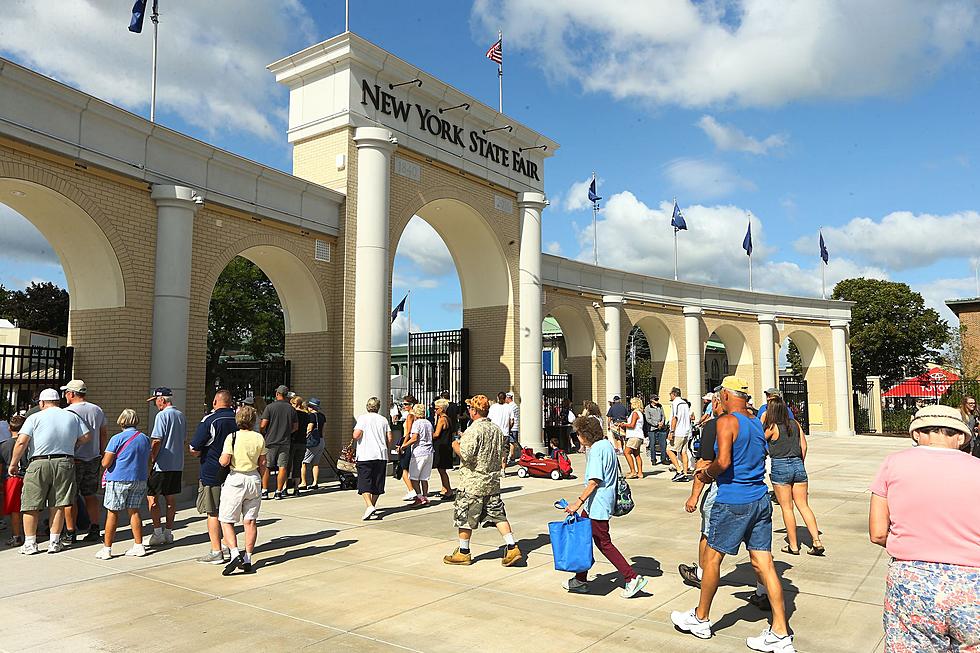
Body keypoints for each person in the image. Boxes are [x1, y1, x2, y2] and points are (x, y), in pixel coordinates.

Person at [672, 376, 795, 652]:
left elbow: (724, 461)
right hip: (760, 499)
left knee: (712, 558)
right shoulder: (755, 421)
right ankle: (780, 632)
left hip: (732, 501)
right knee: (765, 564)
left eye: (720, 397)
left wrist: (705, 472)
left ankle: (700, 618)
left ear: (726, 396)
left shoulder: (727, 422)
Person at [869, 404, 980, 652]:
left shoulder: (893, 464)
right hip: (973, 582)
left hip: (912, 581)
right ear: (961, 436)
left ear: (916, 434)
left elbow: (877, 532)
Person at [563, 415, 648, 598]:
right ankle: (580, 579)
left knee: (604, 543)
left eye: (578, 433)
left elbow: (594, 481)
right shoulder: (606, 445)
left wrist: (577, 503)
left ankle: (632, 578)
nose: (577, 437)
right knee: (586, 539)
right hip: (599, 503)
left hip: (598, 504)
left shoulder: (595, 450)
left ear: (585, 434)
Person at [7, 388, 90, 555]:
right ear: (58, 402)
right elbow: (86, 437)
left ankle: (30, 543)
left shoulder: (34, 417)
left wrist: (13, 464)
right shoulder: (72, 416)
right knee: (58, 503)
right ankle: (54, 541)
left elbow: (22, 442)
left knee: (30, 504)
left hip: (38, 462)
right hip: (65, 461)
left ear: (42, 403)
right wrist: (72, 445)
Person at [443, 394, 522, 567]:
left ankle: (463, 552)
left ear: (474, 411)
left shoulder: (474, 429)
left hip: (473, 482)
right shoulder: (495, 429)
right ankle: (511, 546)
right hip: (492, 481)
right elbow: (502, 451)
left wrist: (456, 445)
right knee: (497, 514)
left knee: (464, 516)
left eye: (470, 408)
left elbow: (468, 456)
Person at [763, 396, 824, 556]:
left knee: (787, 508)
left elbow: (760, 443)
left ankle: (794, 545)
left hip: (780, 466)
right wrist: (799, 463)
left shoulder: (772, 427)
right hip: (798, 464)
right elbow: (804, 446)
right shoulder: (795, 424)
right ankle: (816, 541)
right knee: (803, 505)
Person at [190, 390, 237, 564]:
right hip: (234, 472)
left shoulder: (210, 420)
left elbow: (195, 447)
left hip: (212, 471)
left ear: (216, 401)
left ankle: (216, 550)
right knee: (229, 512)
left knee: (213, 512)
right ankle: (227, 544)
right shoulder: (239, 420)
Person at [95, 409, 151, 560]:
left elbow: (106, 462)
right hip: (139, 478)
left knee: (112, 512)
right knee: (135, 511)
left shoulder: (116, 438)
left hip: (118, 478)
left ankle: (107, 549)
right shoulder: (144, 438)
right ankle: (138, 545)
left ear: (121, 421)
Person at [218, 405, 266, 576]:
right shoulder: (259, 438)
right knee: (250, 521)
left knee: (226, 519)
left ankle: (234, 552)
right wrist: (259, 476)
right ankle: (248, 558)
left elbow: (224, 461)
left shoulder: (232, 437)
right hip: (253, 478)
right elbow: (262, 462)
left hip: (236, 478)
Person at [61, 379, 108, 545]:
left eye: (66, 392)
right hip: (93, 458)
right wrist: (102, 453)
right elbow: (103, 433)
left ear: (72, 394)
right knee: (90, 494)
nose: (65, 395)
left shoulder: (67, 412)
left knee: (70, 497)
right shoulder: (97, 410)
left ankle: (70, 532)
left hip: (75, 458)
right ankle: (94, 528)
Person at [145, 387, 186, 547]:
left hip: (161, 464)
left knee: (152, 497)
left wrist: (151, 460)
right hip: (176, 463)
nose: (155, 404)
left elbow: (156, 440)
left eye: (155, 400)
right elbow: (183, 440)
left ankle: (157, 532)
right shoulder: (181, 415)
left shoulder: (162, 415)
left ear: (161, 399)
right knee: (170, 498)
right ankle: (168, 532)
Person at [353, 396, 392, 521]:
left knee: (364, 481)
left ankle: (369, 506)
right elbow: (389, 438)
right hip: (380, 454)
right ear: (378, 407)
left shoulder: (363, 418)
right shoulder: (383, 420)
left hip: (365, 454)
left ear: (367, 406)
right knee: (377, 482)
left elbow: (356, 435)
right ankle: (372, 506)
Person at [259, 385, 297, 500]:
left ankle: (264, 491)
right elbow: (295, 427)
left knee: (267, 466)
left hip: (270, 441)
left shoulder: (270, 407)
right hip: (285, 441)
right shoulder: (291, 409)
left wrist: (264, 432)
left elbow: (263, 424)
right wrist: (286, 432)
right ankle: (279, 491)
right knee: (282, 466)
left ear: (277, 394)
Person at [399, 403, 434, 505]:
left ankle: (419, 497)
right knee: (424, 477)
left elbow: (414, 438)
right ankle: (425, 496)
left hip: (419, 452)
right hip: (429, 451)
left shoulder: (417, 423)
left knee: (414, 477)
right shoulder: (428, 423)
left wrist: (404, 445)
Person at [0, 415, 27, 546]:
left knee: (15, 510)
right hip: (27, 476)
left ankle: (16, 536)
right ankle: (29, 533)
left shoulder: (4, 445)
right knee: (29, 507)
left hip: (11, 478)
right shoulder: (29, 443)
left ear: (10, 428)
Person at [432, 397, 456, 499]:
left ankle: (448, 490)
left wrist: (429, 434)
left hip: (442, 446)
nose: (435, 410)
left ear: (442, 409)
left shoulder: (442, 419)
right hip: (446, 445)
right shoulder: (448, 418)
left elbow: (436, 434)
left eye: (436, 408)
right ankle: (444, 488)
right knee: (442, 469)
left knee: (442, 470)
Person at [668, 387, 692, 481]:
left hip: (678, 431)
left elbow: (675, 418)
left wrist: (672, 431)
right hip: (686, 431)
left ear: (674, 394)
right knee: (683, 452)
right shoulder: (685, 404)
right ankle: (685, 474)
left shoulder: (676, 403)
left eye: (670, 394)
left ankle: (679, 470)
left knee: (669, 450)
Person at [301, 397, 326, 490]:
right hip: (321, 440)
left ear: (311, 407)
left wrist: (305, 436)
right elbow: (323, 431)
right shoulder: (322, 416)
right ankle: (315, 482)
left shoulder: (311, 416)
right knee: (315, 464)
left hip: (312, 442)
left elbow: (309, 428)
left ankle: (303, 483)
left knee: (304, 462)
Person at [397, 394, 418, 500]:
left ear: (411, 405)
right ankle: (414, 491)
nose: (404, 406)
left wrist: (403, 445)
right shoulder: (417, 416)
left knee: (404, 468)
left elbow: (408, 432)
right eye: (403, 404)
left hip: (408, 442)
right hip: (412, 444)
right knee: (409, 469)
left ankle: (411, 490)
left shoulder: (410, 416)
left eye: (406, 404)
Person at [618, 397, 645, 479]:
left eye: (631, 403)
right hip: (639, 435)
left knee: (627, 452)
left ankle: (633, 471)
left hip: (634, 436)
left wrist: (624, 424)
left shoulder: (635, 413)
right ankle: (640, 472)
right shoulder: (640, 413)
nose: (630, 405)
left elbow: (632, 425)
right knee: (637, 454)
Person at [287, 395, 309, 496]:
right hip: (302, 442)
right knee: (297, 465)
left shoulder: (293, 414)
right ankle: (296, 488)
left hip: (293, 441)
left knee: (287, 465)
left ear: (295, 404)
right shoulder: (306, 415)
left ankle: (284, 487)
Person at [488, 392, 513, 469]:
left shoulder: (493, 407)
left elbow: (489, 419)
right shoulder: (509, 407)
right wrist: (509, 428)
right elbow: (512, 421)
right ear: (505, 398)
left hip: (495, 432)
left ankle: (495, 467)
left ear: (497, 397)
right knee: (504, 452)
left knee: (494, 450)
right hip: (505, 433)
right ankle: (503, 469)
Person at [644, 395, 667, 466]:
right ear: (651, 400)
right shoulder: (647, 408)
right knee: (652, 444)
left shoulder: (660, 406)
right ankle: (653, 459)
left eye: (657, 398)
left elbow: (663, 416)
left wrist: (662, 423)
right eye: (655, 399)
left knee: (663, 444)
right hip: (652, 429)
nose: (657, 400)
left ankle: (663, 459)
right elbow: (648, 419)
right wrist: (656, 424)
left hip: (661, 428)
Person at [504, 391, 520, 463]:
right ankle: (512, 457)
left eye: (506, 398)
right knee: (512, 442)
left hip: (512, 427)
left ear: (508, 398)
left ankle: (512, 458)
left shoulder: (511, 406)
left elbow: (510, 418)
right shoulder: (515, 405)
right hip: (514, 427)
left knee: (511, 442)